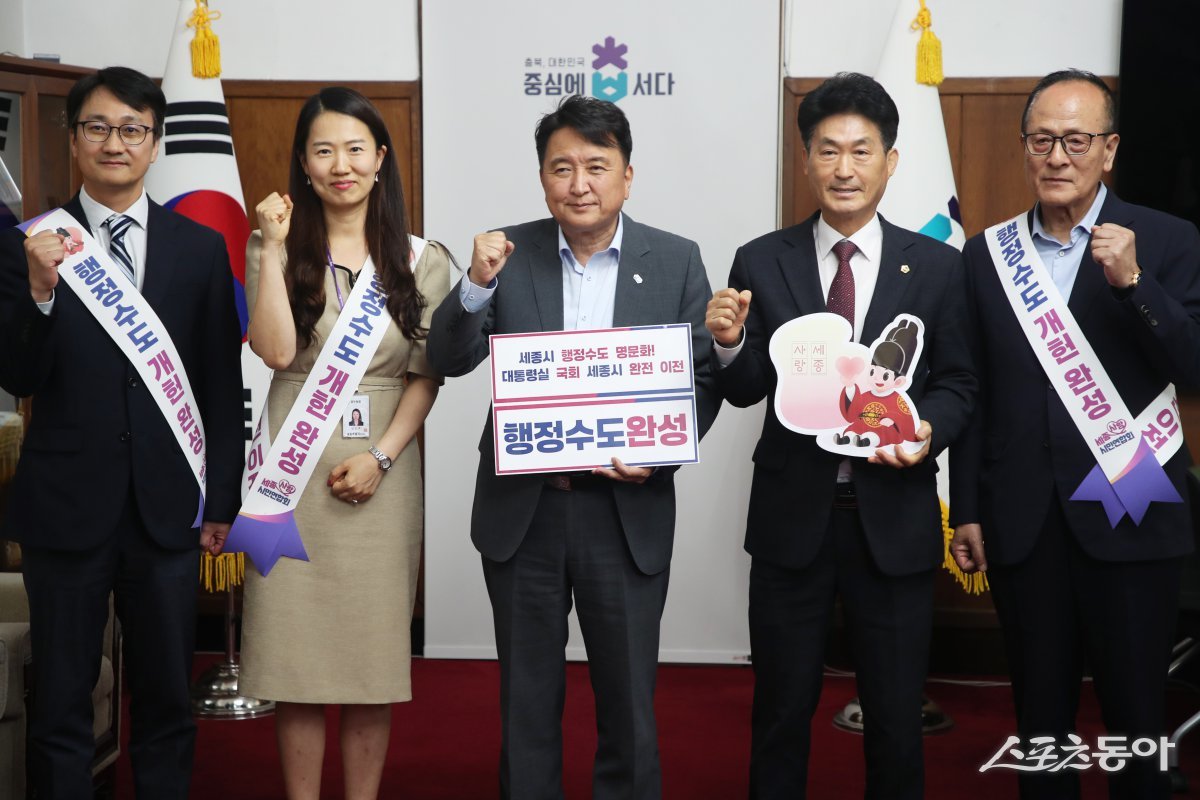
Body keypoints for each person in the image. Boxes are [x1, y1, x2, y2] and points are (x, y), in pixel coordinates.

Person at [426, 94, 719, 800]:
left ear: (627, 175)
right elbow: (447, 357)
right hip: (525, 512)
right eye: (562, 168)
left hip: (625, 509)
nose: (579, 184)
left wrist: (660, 450)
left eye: (596, 166)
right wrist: (475, 285)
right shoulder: (506, 254)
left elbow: (703, 379)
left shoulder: (675, 260)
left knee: (629, 707)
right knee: (526, 703)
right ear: (542, 179)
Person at [705, 72, 975, 799]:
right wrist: (728, 345)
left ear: (891, 161)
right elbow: (746, 388)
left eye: (862, 151)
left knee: (895, 717)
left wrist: (926, 430)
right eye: (828, 150)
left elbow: (959, 382)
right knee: (780, 710)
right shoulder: (762, 259)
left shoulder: (939, 267)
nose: (844, 168)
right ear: (806, 161)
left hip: (894, 515)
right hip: (792, 518)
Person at [949, 69, 1200, 800]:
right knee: (1041, 727)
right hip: (1023, 517)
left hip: (1131, 502)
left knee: (1136, 721)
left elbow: (1191, 366)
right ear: (1025, 148)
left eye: (1076, 140)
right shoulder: (986, 256)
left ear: (1109, 149)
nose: (1057, 156)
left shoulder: (1167, 239)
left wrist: (1135, 284)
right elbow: (974, 388)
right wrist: (967, 508)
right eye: (1042, 140)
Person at [0, 66, 244, 798]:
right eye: (98, 127)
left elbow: (218, 384)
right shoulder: (29, 245)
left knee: (166, 700)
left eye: (133, 129)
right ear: (73, 139)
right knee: (61, 702)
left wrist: (222, 501)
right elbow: (18, 374)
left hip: (167, 511)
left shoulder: (198, 248)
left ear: (155, 143)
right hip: (65, 508)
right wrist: (39, 292)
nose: (115, 143)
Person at [238, 86, 452, 800]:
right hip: (290, 469)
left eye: (356, 149)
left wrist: (382, 456)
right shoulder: (270, 245)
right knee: (294, 659)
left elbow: (426, 374)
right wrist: (272, 247)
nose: (341, 165)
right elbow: (274, 351)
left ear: (380, 158)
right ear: (303, 163)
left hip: (381, 476)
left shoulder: (421, 259)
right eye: (323, 150)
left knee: (369, 662)